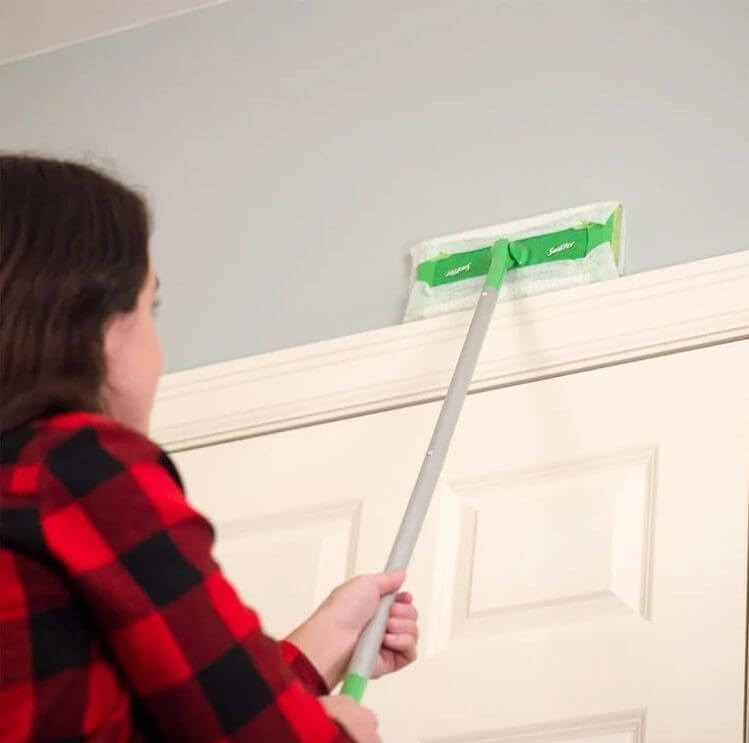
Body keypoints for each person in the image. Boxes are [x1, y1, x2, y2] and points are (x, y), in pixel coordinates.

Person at [0, 155, 418, 743]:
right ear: (89, 323)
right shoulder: (74, 468)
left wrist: (322, 645)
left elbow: (185, 716)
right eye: (152, 307)